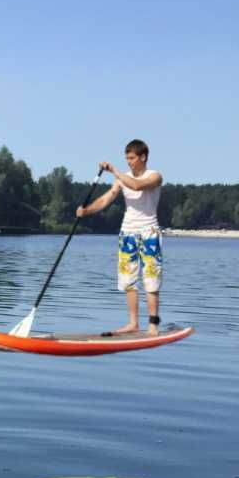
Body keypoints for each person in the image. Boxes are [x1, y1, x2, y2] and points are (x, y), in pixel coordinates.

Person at [76, 139, 164, 336]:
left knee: (151, 279)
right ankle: (133, 324)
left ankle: (153, 326)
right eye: (127, 158)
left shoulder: (155, 176)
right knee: (128, 280)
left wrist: (115, 171)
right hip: (127, 233)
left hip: (149, 232)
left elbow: (137, 185)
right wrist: (86, 211)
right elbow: (106, 199)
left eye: (132, 158)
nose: (129, 162)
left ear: (143, 157)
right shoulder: (121, 179)